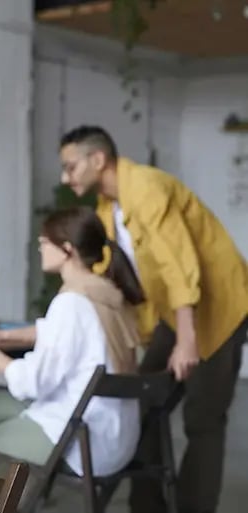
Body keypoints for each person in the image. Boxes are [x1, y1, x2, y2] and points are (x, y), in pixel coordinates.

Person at [59, 125, 248, 513]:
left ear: (98, 160)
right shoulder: (107, 208)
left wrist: (188, 341)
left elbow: (178, 264)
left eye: (71, 166)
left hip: (220, 306)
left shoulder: (145, 188)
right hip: (176, 313)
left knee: (204, 419)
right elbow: (118, 278)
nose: (66, 177)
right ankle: (147, 507)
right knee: (140, 403)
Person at [0, 206, 143, 481]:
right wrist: (3, 336)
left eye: (44, 243)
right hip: (114, 434)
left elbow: (31, 382)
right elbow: (61, 333)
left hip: (80, 440)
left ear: (67, 249)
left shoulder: (71, 304)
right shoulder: (107, 295)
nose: (40, 249)